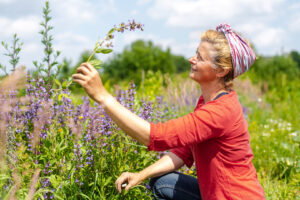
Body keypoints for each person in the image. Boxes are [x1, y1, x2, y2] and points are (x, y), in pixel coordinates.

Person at [72, 23, 266, 200]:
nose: (192, 59)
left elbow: (156, 136)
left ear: (221, 71)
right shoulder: (207, 102)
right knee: (162, 183)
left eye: (200, 57)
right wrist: (141, 175)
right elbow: (184, 152)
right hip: (213, 194)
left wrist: (103, 96)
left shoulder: (221, 111)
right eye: (195, 53)